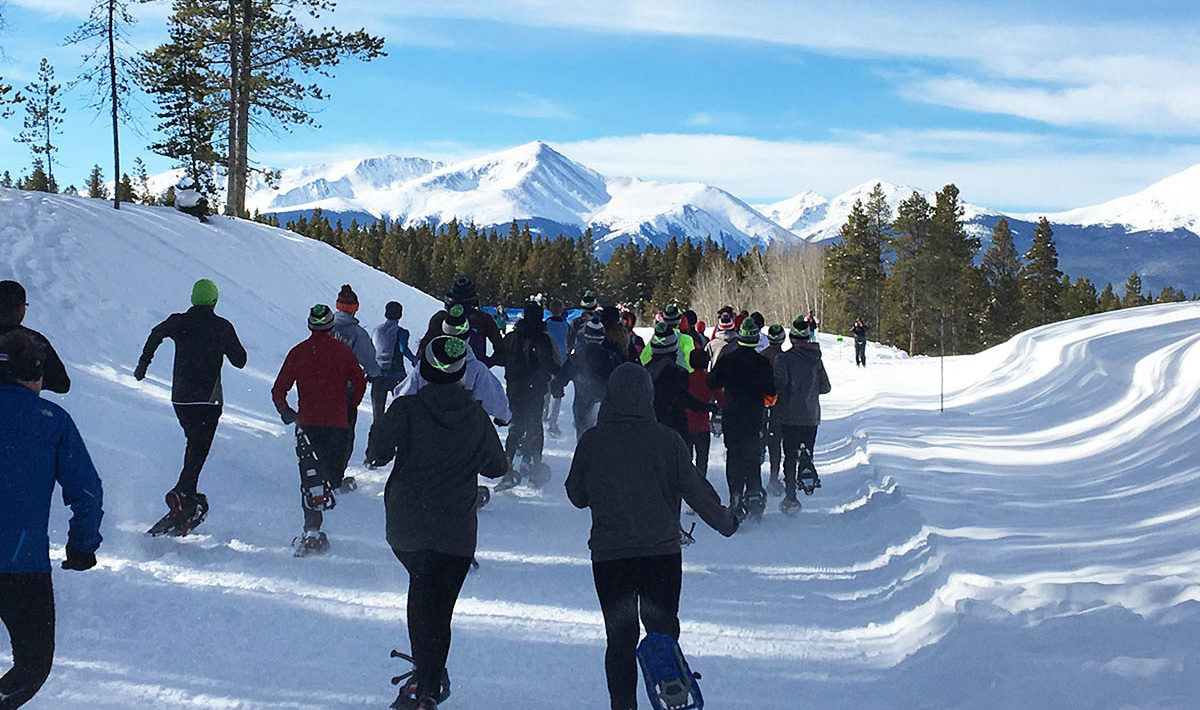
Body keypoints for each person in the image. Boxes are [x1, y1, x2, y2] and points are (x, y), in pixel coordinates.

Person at [565, 363, 737, 710]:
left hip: (611, 557)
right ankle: (671, 690)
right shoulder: (667, 441)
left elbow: (576, 495)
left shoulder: (593, 442)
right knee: (661, 631)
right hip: (661, 554)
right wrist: (725, 521)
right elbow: (696, 492)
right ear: (648, 396)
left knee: (620, 638)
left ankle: (623, 705)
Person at [366, 335, 507, 710]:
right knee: (439, 606)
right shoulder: (475, 415)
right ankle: (429, 682)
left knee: (421, 589)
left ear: (424, 370)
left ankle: (424, 681)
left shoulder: (407, 408)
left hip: (408, 525)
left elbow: (377, 453)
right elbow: (497, 467)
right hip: (456, 530)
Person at [0, 330, 103, 710]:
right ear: (34, 373)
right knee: (32, 664)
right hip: (21, 565)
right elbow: (87, 492)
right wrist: (81, 547)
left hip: (20, 562)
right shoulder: (52, 420)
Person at [134, 278, 247, 534]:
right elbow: (240, 360)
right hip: (207, 400)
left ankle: (186, 495)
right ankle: (182, 494)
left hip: (181, 399)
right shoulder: (221, 326)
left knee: (194, 445)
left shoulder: (179, 321)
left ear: (193, 299)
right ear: (214, 301)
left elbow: (156, 333)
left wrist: (144, 364)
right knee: (199, 447)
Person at [271, 304, 367, 556]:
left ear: (310, 324)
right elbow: (359, 381)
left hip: (307, 424)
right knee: (330, 475)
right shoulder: (343, 351)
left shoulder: (298, 352)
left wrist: (286, 412)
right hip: (337, 423)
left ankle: (311, 530)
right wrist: (350, 404)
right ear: (330, 325)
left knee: (309, 476)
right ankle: (322, 509)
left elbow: (278, 389)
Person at [706, 319, 776, 521]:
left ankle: (735, 495)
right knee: (752, 455)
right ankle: (753, 493)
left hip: (732, 415)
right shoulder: (762, 362)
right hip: (754, 416)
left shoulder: (728, 358)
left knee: (734, 455)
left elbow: (712, 381)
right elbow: (771, 390)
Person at [394, 304, 511, 424]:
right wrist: (505, 417)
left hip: (427, 429)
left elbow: (403, 395)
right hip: (465, 431)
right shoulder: (476, 368)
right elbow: (496, 401)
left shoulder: (426, 364)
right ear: (467, 337)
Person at [495, 302, 559, 491]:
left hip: (514, 387)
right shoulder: (541, 339)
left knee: (516, 424)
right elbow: (548, 363)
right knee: (534, 425)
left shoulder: (512, 337)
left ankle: (508, 464)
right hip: (534, 388)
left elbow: (501, 357)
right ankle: (533, 464)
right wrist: (563, 373)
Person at [773, 318, 832, 512]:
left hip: (789, 415)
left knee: (789, 456)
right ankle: (806, 475)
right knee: (806, 453)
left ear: (791, 338)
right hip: (811, 415)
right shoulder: (816, 359)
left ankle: (791, 497)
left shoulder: (783, 359)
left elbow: (779, 384)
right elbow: (826, 387)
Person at [331, 284, 378, 481]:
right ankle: (337, 475)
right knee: (345, 433)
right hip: (345, 392)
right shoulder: (358, 334)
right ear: (355, 307)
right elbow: (370, 361)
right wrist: (373, 373)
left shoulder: (323, 327)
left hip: (319, 387)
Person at [551, 316, 624, 440]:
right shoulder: (611, 357)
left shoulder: (576, 356)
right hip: (606, 406)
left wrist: (557, 389)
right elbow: (622, 381)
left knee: (583, 440)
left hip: (582, 405)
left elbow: (560, 379)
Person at [644, 322, 714, 442]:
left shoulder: (644, 372)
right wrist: (706, 407)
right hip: (676, 430)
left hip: (650, 430)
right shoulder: (678, 373)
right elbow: (685, 400)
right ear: (673, 348)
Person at [0, 280, 70, 394]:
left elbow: (62, 384)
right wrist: (28, 378)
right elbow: (61, 384)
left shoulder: (33, 340)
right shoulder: (33, 341)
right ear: (19, 308)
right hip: (20, 406)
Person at [421, 278, 505, 367]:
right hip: (474, 375)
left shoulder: (440, 319)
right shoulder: (483, 319)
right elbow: (501, 353)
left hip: (444, 374)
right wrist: (484, 364)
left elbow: (422, 353)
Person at [371, 301, 419, 438]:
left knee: (377, 417)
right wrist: (415, 360)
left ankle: (373, 450)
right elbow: (403, 349)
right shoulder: (402, 332)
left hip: (378, 375)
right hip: (397, 376)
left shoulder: (377, 330)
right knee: (401, 412)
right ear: (400, 315)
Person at [759, 324, 787, 496]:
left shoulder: (761, 356)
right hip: (780, 405)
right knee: (776, 442)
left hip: (760, 404)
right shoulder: (786, 358)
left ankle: (755, 479)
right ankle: (773, 477)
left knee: (760, 437)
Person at [686, 349, 722, 478]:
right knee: (702, 459)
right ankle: (701, 483)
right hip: (703, 425)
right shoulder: (709, 379)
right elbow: (721, 399)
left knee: (686, 458)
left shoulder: (686, 378)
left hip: (686, 423)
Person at [638, 304, 694, 371]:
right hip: (680, 377)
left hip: (657, 378)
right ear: (679, 321)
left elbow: (643, 359)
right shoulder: (686, 339)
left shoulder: (657, 339)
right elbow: (690, 362)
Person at [543, 299, 570, 437]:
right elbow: (570, 343)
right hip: (561, 364)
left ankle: (544, 415)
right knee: (557, 394)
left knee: (546, 392)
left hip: (547, 361)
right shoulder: (566, 326)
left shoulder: (546, 324)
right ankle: (553, 423)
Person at [566, 289, 599, 356]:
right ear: (595, 306)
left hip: (580, 354)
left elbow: (570, 341)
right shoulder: (600, 322)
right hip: (598, 354)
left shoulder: (576, 322)